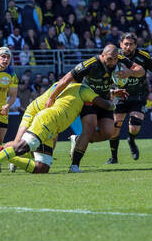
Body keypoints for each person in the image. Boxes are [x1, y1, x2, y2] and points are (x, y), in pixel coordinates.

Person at [0, 81, 116, 177]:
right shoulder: (83, 88)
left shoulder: (63, 86)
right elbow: (102, 103)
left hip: (51, 124)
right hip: (45, 118)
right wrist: (114, 102)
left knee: (42, 167)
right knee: (21, 146)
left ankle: (5, 154)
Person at [45, 44, 145, 173]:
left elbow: (141, 71)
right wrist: (52, 98)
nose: (113, 62)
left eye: (115, 59)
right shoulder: (91, 64)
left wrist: (130, 72)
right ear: (102, 55)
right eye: (110, 59)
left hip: (105, 98)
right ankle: (75, 165)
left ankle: (77, 139)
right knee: (89, 127)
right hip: (89, 99)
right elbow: (66, 78)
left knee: (108, 132)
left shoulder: (120, 59)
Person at [106, 33, 152, 164]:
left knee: (134, 127)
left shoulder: (143, 56)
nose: (128, 47)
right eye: (126, 44)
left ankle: (131, 140)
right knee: (115, 127)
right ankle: (114, 158)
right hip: (120, 95)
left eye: (131, 44)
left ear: (135, 45)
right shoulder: (113, 56)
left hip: (138, 95)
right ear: (120, 44)